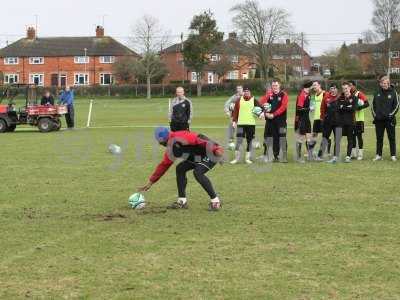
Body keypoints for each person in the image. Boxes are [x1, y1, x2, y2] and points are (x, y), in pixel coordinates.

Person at [138, 127, 224, 211]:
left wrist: (216, 149)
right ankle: (182, 201)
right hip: (197, 157)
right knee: (180, 168)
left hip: (211, 153)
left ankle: (215, 202)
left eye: (164, 142)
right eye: (161, 143)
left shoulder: (180, 137)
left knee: (198, 172)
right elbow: (164, 165)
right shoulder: (170, 149)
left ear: (167, 137)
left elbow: (200, 138)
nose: (163, 144)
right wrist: (151, 182)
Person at [259, 79, 289, 163]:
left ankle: (284, 156)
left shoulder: (284, 95)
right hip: (271, 121)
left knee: (282, 137)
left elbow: (283, 107)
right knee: (274, 138)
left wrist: (273, 114)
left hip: (281, 122)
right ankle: (276, 156)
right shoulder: (269, 94)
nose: (274, 87)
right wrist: (264, 113)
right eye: (273, 86)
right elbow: (261, 102)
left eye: (276, 85)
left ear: (279, 85)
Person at [327, 82, 357, 163]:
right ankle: (335, 157)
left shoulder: (354, 98)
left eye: (346, 88)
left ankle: (348, 157)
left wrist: (343, 107)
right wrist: (347, 107)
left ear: (350, 88)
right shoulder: (340, 98)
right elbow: (338, 108)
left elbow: (353, 109)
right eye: (343, 89)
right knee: (337, 140)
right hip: (340, 123)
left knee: (350, 140)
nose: (345, 90)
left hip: (350, 123)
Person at [230, 87, 261, 164]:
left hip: (251, 124)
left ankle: (247, 158)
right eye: (245, 91)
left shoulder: (254, 100)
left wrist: (261, 114)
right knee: (239, 141)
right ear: (243, 92)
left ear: (250, 92)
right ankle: (236, 159)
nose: (246, 92)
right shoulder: (239, 100)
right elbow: (235, 112)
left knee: (249, 141)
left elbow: (260, 108)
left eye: (248, 91)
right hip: (241, 124)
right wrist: (234, 121)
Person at [372, 76, 399, 162]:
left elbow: (397, 105)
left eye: (386, 83)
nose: (384, 85)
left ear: (388, 83)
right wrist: (375, 116)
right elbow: (373, 106)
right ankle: (378, 155)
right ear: (380, 84)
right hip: (379, 120)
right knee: (379, 138)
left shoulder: (394, 92)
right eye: (383, 83)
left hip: (390, 120)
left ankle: (393, 155)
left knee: (392, 138)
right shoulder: (376, 92)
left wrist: (390, 115)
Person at [349, 80, 369, 160]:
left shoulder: (359, 94)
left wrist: (359, 107)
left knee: (359, 136)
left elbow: (367, 104)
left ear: (354, 86)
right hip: (351, 119)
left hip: (359, 119)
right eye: (348, 86)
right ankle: (353, 154)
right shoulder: (348, 95)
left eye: (350, 85)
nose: (349, 87)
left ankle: (360, 154)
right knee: (352, 136)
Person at [319, 83, 340, 159]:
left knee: (337, 139)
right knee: (325, 138)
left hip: (338, 122)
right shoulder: (326, 97)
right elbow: (322, 108)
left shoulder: (340, 97)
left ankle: (336, 156)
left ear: (337, 89)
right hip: (328, 121)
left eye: (334, 88)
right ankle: (320, 155)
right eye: (331, 88)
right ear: (330, 89)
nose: (333, 90)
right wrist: (322, 118)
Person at [294, 81, 313, 163]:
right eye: (311, 86)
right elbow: (299, 109)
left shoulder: (308, 94)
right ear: (308, 87)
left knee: (308, 137)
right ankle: (298, 157)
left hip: (307, 119)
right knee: (301, 138)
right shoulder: (302, 95)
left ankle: (309, 155)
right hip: (301, 119)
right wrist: (309, 109)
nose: (312, 88)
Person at [309, 81, 326, 160]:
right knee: (314, 136)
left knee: (324, 137)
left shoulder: (325, 94)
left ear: (319, 85)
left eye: (315, 85)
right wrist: (311, 108)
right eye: (313, 85)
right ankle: (310, 153)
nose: (314, 86)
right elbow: (312, 106)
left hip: (324, 119)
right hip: (316, 119)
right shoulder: (314, 96)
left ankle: (320, 155)